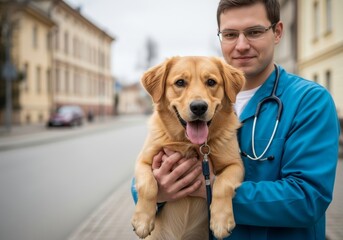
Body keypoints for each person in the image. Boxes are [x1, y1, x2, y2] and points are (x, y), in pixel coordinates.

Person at [131, 0, 340, 239]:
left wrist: (208, 189)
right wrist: (156, 192)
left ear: (277, 32)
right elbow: (142, 180)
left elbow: (308, 199)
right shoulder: (176, 113)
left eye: (254, 32)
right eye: (230, 34)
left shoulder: (309, 101)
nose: (241, 45)